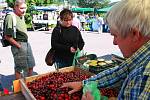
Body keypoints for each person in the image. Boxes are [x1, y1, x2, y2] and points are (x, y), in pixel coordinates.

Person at [62, 0, 150, 99]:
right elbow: (118, 73)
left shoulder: (146, 76)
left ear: (135, 34)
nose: (114, 42)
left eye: (115, 35)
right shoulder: (140, 58)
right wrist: (83, 83)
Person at [3, 0, 35, 79]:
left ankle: (28, 85)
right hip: (18, 44)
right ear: (15, 7)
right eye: (21, 8)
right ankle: (20, 89)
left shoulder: (21, 15)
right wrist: (19, 46)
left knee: (31, 65)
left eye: (25, 8)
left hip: (26, 44)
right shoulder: (10, 16)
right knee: (20, 68)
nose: (24, 10)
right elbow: (7, 36)